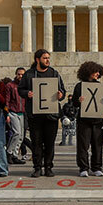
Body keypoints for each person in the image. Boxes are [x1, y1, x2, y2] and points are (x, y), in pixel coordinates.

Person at [18, 49, 66, 177]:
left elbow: (62, 90)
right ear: (37, 59)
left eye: (48, 58)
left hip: (51, 115)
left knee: (50, 143)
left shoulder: (54, 73)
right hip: (35, 115)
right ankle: (37, 167)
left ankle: (48, 167)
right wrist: (27, 93)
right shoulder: (29, 74)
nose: (47, 60)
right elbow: (20, 90)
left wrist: (60, 95)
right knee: (36, 143)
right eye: (45, 58)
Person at [70, 61, 103, 177]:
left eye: (98, 72)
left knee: (97, 145)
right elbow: (74, 103)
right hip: (84, 120)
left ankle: (97, 167)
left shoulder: (100, 85)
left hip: (97, 120)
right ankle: (83, 167)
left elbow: (102, 102)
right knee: (83, 145)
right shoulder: (79, 86)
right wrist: (78, 100)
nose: (97, 74)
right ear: (88, 72)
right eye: (95, 71)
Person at [6, 67, 27, 165]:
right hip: (13, 112)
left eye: (22, 74)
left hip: (22, 112)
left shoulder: (26, 86)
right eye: (19, 74)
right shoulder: (10, 85)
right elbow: (7, 100)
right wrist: (7, 114)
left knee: (21, 136)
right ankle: (9, 152)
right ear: (16, 74)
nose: (20, 76)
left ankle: (14, 155)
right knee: (17, 133)